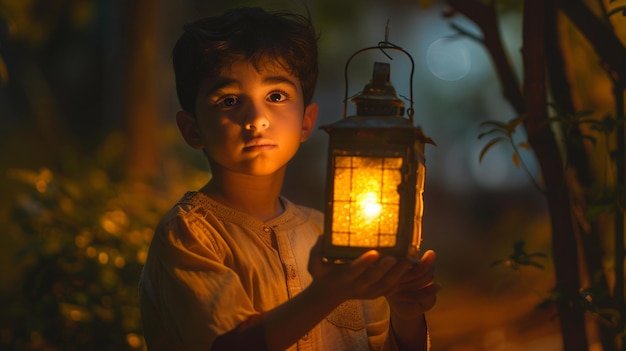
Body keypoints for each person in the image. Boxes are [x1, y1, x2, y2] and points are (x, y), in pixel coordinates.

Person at [138, 6, 439, 351]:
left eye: (276, 96)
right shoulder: (190, 234)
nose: (257, 119)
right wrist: (327, 293)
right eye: (229, 100)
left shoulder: (333, 236)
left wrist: (405, 313)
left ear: (307, 122)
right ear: (191, 129)